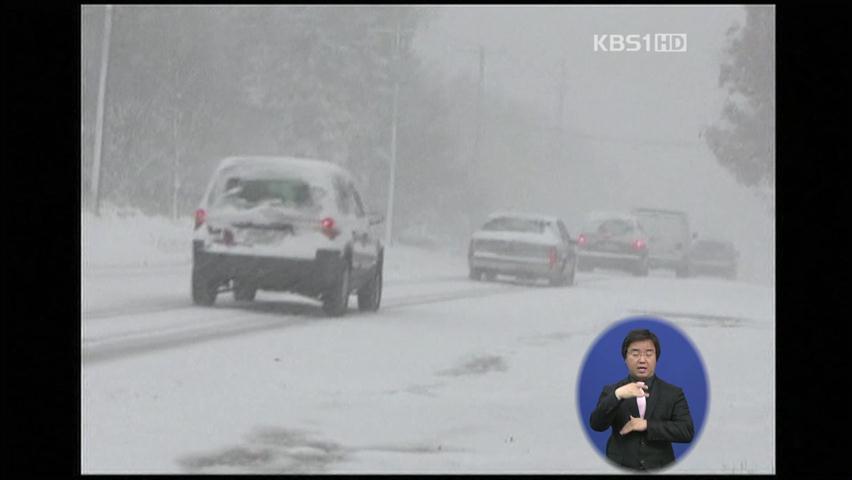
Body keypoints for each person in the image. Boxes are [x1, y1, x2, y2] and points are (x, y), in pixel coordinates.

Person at [589, 328, 694, 471]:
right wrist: (617, 395)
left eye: (649, 353)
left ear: (656, 357)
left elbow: (686, 431)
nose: (642, 359)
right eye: (635, 353)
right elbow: (596, 424)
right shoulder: (612, 390)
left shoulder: (673, 393)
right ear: (625, 358)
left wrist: (647, 425)